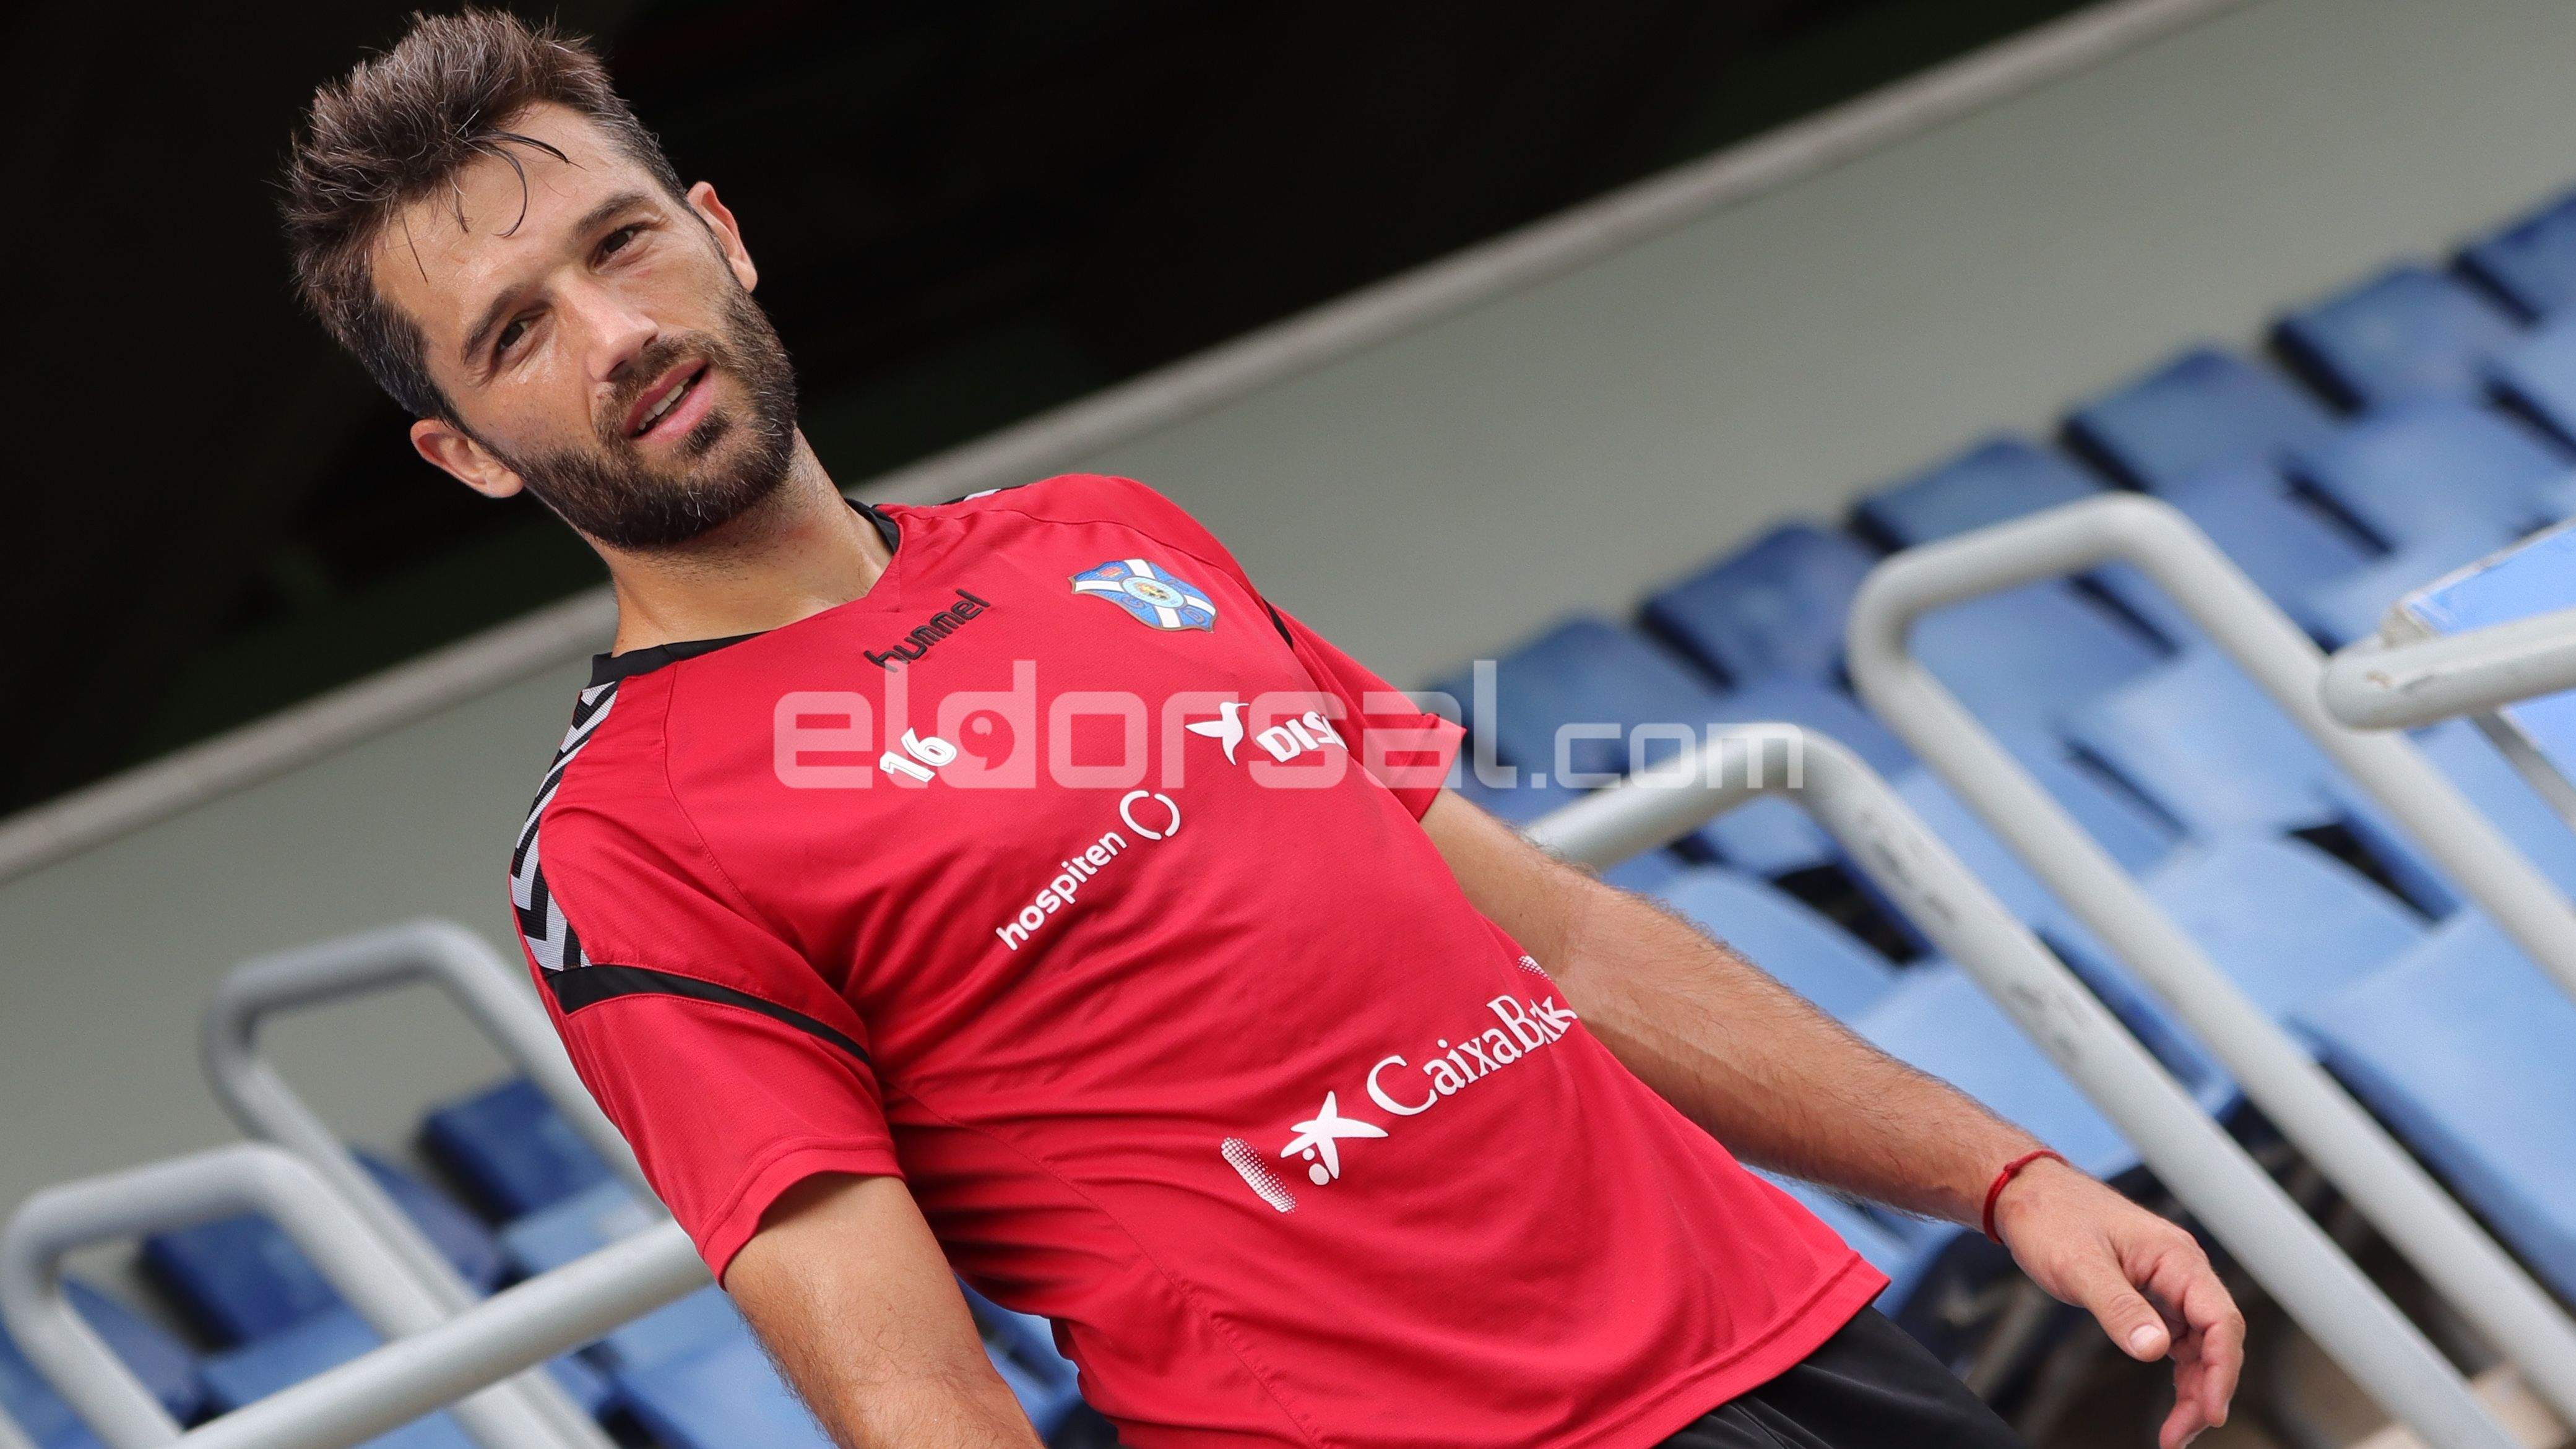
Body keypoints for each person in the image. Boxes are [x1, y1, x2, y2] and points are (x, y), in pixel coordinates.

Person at [282, 12, 2242, 1449]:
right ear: (460, 454)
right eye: (515, 330)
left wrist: (2003, 1176)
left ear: (719, 233)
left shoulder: (1104, 537)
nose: (614, 333)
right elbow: (898, 1375)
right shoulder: (628, 840)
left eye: (619, 244)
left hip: (1800, 1346)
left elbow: (1546, 938)